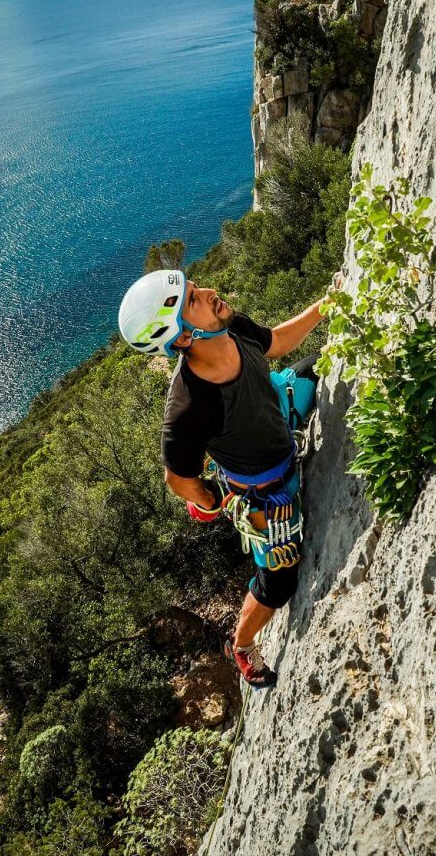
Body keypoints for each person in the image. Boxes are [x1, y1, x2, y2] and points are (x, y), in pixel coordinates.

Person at [118, 268, 331, 688]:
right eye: (195, 300)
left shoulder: (231, 328)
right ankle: (243, 643)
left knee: (319, 365)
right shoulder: (188, 408)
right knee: (279, 581)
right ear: (181, 338)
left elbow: (276, 342)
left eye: (195, 289)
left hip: (279, 413)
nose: (211, 293)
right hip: (264, 490)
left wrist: (323, 308)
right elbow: (177, 478)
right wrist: (211, 499)